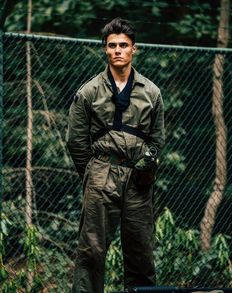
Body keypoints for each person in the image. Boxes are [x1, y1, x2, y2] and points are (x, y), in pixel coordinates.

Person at [67, 17, 165, 293]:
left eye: (124, 45)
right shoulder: (89, 92)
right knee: (91, 250)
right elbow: (75, 140)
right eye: (112, 45)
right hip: (101, 174)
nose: (118, 50)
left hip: (138, 178)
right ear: (105, 50)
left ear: (134, 49)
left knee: (141, 251)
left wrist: (147, 165)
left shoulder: (152, 93)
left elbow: (157, 138)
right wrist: (93, 172)